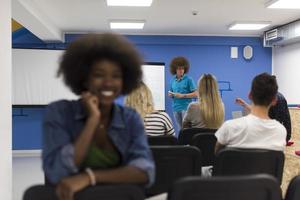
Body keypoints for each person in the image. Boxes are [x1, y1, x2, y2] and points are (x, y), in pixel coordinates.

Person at [42, 33, 155, 200]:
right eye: (99, 75)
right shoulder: (59, 112)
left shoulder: (130, 118)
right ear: (84, 79)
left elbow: (145, 171)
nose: (108, 83)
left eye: (115, 76)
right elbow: (57, 172)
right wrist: (92, 121)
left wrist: (89, 177)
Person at [215, 73, 286, 153]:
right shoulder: (281, 131)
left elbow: (218, 154)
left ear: (249, 95)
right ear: (274, 100)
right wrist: (244, 104)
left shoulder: (230, 127)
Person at [168, 56, 197, 134]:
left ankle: (188, 145)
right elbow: (171, 92)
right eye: (179, 68)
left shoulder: (189, 79)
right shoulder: (172, 80)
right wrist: (170, 94)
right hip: (175, 108)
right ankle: (182, 145)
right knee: (180, 129)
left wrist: (183, 96)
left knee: (186, 129)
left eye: (182, 68)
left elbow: (196, 94)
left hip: (186, 108)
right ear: (175, 69)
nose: (181, 70)